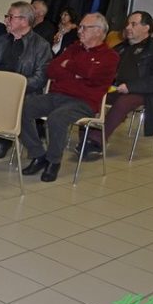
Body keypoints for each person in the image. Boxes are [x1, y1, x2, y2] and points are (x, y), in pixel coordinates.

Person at [19, 13, 119, 182]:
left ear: (99, 31)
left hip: (84, 102)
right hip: (57, 95)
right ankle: (38, 154)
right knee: (22, 108)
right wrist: (76, 72)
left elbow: (91, 74)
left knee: (57, 118)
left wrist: (69, 65)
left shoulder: (110, 56)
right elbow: (52, 70)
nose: (79, 31)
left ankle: (53, 161)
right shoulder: (74, 48)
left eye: (84, 28)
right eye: (80, 27)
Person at [80, 11, 153, 155]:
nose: (128, 27)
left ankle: (97, 140)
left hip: (147, 94)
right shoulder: (120, 48)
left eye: (133, 24)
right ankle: (86, 135)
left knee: (123, 102)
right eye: (128, 24)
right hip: (117, 88)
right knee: (89, 95)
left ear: (146, 28)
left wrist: (130, 87)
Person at [0, 1, 52, 158]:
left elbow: (40, 78)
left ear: (24, 21)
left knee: (9, 100)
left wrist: (14, 87)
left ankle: (4, 138)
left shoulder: (41, 46)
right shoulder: (2, 41)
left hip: (25, 92)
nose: (6, 20)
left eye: (10, 17)